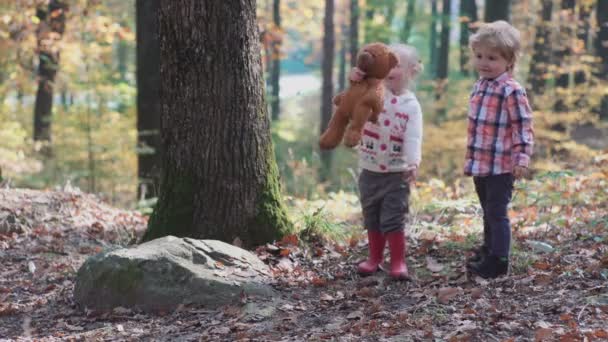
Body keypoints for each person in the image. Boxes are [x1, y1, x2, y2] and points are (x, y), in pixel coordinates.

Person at [464, 20, 534, 278]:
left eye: (492, 58)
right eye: (479, 56)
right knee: (487, 209)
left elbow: (523, 126)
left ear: (509, 61)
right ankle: (489, 248)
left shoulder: (511, 91)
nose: (484, 62)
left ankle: (499, 260)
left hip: (502, 165)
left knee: (497, 211)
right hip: (481, 162)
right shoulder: (481, 85)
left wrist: (522, 158)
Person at [351, 44, 423, 280]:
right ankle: (374, 258)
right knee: (371, 215)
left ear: (412, 71)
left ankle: (398, 262)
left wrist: (413, 163)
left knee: (393, 217)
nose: (390, 70)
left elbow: (413, 136)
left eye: (397, 65)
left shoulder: (411, 106)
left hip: (397, 172)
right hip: (370, 169)